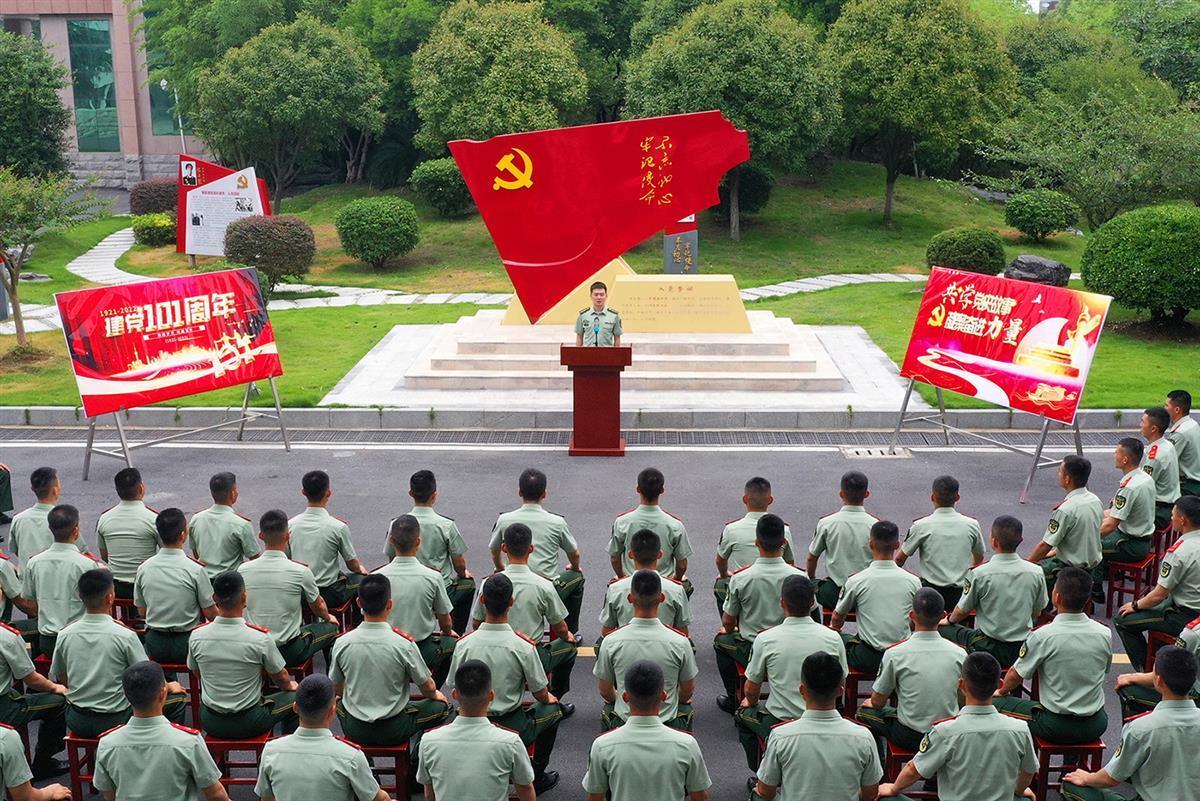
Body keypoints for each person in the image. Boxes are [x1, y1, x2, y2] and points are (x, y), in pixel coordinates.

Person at [447, 574, 563, 794]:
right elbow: (540, 693)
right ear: (511, 601)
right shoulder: (523, 646)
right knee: (553, 710)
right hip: (511, 723)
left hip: (470, 718)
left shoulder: (464, 645)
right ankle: (537, 774)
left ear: (482, 600)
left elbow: (453, 684)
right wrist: (550, 697)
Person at [877, 652, 1037, 801]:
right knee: (1026, 798)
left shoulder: (945, 731)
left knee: (887, 798)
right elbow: (1029, 771)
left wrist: (893, 788)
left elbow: (914, 770)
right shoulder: (1020, 729)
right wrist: (1019, 790)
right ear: (999, 684)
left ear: (961, 684)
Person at [51, 569, 186, 737]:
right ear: (110, 598)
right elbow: (146, 676)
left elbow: (61, 674)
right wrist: (169, 686)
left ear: (80, 597)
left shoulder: (65, 634)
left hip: (78, 718)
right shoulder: (125, 635)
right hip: (116, 719)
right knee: (178, 700)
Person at [735, 574, 847, 771]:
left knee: (742, 715)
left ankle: (761, 770)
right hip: (824, 715)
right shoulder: (833, 637)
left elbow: (752, 689)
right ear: (812, 602)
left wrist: (750, 703)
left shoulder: (766, 639)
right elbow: (841, 681)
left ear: (782, 602)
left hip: (780, 720)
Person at [1063, 645, 1200, 801]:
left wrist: (1087, 778)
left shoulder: (1141, 728)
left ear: (1158, 681)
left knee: (1071, 787)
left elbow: (1111, 778)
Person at [994, 567, 1111, 744]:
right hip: (1095, 723)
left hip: (1055, 724)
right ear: (1088, 599)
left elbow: (1015, 675)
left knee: (994, 703)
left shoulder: (1043, 636)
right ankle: (1073, 757)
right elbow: (1104, 669)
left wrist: (1001, 691)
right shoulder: (1104, 633)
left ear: (1057, 597)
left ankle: (1021, 756)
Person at [329, 574, 450, 746]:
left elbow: (337, 687)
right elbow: (427, 688)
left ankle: (364, 758)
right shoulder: (403, 644)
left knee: (339, 702)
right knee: (442, 708)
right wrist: (436, 695)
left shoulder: (342, 643)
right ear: (390, 604)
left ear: (359, 603)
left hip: (355, 727)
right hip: (395, 727)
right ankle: (416, 755)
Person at [752, 652, 880, 801]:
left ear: (802, 691)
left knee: (757, 795)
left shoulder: (780, 736)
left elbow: (766, 791)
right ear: (840, 691)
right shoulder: (863, 737)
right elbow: (870, 793)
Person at [471, 523, 577, 703]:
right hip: (531, 654)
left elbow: (476, 623)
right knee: (569, 648)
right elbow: (560, 628)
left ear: (504, 548)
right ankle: (555, 697)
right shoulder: (544, 586)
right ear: (531, 549)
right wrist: (567, 636)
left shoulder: (488, 584)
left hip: (492, 654)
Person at [187, 571, 298, 739]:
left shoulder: (196, 636)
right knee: (298, 697)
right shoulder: (259, 638)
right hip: (249, 721)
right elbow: (280, 677)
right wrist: (290, 686)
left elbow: (197, 672)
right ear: (244, 597)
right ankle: (285, 748)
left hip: (211, 720)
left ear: (214, 598)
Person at [94, 661, 227, 801]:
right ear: (163, 693)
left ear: (126, 695)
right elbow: (216, 794)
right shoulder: (189, 741)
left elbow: (109, 796)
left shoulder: (107, 744)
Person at [584, 660, 711, 801]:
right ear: (664, 695)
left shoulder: (602, 746)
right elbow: (700, 797)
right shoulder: (687, 744)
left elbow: (595, 797)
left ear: (625, 697)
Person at [857, 588, 965, 753]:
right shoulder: (960, 654)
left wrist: (871, 703)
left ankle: (880, 762)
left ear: (912, 615)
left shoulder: (895, 653)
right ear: (943, 615)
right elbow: (963, 699)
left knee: (864, 712)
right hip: (947, 734)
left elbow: (878, 702)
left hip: (910, 735)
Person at [715, 514, 804, 712]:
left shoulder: (741, 578)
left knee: (721, 641)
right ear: (784, 542)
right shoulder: (799, 577)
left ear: (756, 543)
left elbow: (728, 623)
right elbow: (812, 618)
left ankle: (733, 698)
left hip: (751, 647)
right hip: (792, 646)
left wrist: (729, 629)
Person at [417, 660, 536, 801]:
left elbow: (429, 793)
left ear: (454, 694)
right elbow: (525, 788)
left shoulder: (428, 741)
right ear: (491, 696)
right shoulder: (511, 742)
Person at [939, 516, 1048, 669]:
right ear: (1020, 540)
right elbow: (1037, 612)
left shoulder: (980, 573)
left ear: (993, 542)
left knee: (939, 629)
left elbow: (963, 610)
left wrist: (949, 621)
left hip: (988, 645)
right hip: (1022, 647)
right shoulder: (1036, 572)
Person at [255, 675, 387, 801]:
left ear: (295, 707)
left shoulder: (270, 751)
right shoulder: (351, 757)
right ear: (332, 711)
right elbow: (379, 799)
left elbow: (267, 798)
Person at [596, 570, 697, 731]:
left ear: (630, 598)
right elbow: (687, 691)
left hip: (624, 719)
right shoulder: (680, 642)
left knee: (609, 706)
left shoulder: (610, 642)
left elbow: (605, 691)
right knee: (685, 706)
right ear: (661, 598)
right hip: (667, 721)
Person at [488, 469, 585, 633]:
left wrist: (500, 568)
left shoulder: (504, 519)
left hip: (509, 580)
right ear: (544, 493)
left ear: (520, 492)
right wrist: (574, 567)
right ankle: (571, 630)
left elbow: (494, 549)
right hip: (547, 584)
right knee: (577, 578)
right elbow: (574, 553)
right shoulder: (557, 522)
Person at [239, 510, 338, 668]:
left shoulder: (243, 570)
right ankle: (329, 679)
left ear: (261, 536)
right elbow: (318, 606)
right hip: (289, 651)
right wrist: (328, 617)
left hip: (256, 648)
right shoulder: (300, 571)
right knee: (332, 627)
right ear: (287, 536)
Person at [1113, 495, 1200, 671]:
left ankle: (1147, 671)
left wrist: (1135, 605)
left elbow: (1158, 595)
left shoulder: (1180, 552)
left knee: (1122, 620)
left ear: (1183, 520)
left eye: (1173, 515)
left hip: (1184, 615)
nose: (1171, 518)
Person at [388, 469, 475, 635]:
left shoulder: (396, 524)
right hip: (440, 587)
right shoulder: (446, 525)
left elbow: (391, 558)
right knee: (468, 585)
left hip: (403, 586)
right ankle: (456, 633)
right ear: (434, 495)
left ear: (410, 493)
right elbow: (459, 564)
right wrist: (463, 573)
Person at [374, 514, 457, 686]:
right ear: (418, 542)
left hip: (385, 649)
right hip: (421, 649)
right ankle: (433, 687)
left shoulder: (377, 577)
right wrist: (448, 633)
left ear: (391, 540)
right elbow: (445, 620)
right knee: (454, 644)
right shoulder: (433, 577)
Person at [830, 520, 921, 675]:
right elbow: (915, 621)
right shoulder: (913, 582)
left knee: (835, 639)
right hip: (901, 656)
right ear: (897, 544)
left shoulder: (856, 581)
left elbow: (837, 617)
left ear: (871, 544)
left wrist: (835, 631)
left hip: (868, 658)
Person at [134, 508, 217, 665]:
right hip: (187, 643)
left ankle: (167, 679)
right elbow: (211, 614)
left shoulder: (144, 568)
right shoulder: (195, 570)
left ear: (159, 535)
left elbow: (142, 612)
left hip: (155, 644)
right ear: (183, 535)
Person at [21, 504, 102, 657]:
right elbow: (98, 605)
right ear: (76, 530)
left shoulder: (34, 563)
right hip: (80, 640)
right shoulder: (86, 564)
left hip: (48, 641)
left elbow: (30, 603)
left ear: (50, 529)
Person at [896, 476, 983, 611]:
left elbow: (900, 559)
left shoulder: (921, 526)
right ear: (957, 497)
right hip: (960, 595)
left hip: (930, 594)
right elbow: (979, 558)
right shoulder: (972, 525)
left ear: (932, 497)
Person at [0, 615, 69, 778]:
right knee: (60, 702)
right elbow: (31, 680)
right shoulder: (7, 637)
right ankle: (43, 764)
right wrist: (55, 687)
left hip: (7, 695)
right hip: (4, 708)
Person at [287, 471, 368, 608]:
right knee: (362, 580)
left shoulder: (290, 525)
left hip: (300, 593)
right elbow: (351, 564)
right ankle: (356, 619)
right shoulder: (338, 527)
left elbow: (287, 559)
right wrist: (360, 569)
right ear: (328, 493)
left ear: (303, 492)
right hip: (328, 593)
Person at [715, 477, 795, 613]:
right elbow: (790, 563)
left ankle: (731, 619)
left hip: (745, 586)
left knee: (721, 584)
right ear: (770, 500)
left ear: (744, 499)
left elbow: (720, 560)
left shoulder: (731, 529)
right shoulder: (784, 530)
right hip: (777, 588)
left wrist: (724, 574)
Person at [608, 468, 692, 594]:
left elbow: (615, 558)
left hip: (632, 584)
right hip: (663, 586)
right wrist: (675, 580)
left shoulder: (622, 522)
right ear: (662, 490)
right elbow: (682, 565)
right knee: (685, 586)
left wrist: (622, 577)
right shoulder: (675, 525)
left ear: (638, 489)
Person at [1027, 455, 1103, 593]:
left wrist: (1026, 565)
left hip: (1068, 569)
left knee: (1031, 576)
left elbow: (1045, 545)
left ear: (1067, 479)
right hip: (1091, 566)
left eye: (1060, 472)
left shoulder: (1065, 509)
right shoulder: (1095, 500)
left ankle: (1046, 604)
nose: (1058, 475)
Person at [600, 529, 691, 637]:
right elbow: (683, 633)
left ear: (631, 554)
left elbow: (607, 632)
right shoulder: (676, 590)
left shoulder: (615, 589)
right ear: (660, 554)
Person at [806, 471, 875, 612]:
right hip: (866, 594)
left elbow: (812, 558)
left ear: (841, 494)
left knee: (817, 585)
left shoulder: (827, 523)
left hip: (834, 595)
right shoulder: (874, 525)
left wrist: (812, 579)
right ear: (867, 494)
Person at [1116, 613, 1200, 718]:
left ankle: (1150, 726)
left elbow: (1169, 672)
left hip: (1195, 699)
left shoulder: (1193, 634)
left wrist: (1131, 678)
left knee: (1128, 690)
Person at [95, 467, 159, 599]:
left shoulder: (104, 518)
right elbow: (165, 552)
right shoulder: (153, 519)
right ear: (141, 488)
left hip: (117, 587)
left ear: (118, 491)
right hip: (146, 585)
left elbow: (105, 556)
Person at [188, 472, 261, 580]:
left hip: (204, 581)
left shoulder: (196, 519)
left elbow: (196, 554)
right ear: (232, 494)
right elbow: (254, 558)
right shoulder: (241, 524)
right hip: (231, 583)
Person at [9, 467, 86, 566]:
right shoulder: (64, 520)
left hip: (27, 574)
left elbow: (16, 550)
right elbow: (81, 551)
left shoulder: (18, 519)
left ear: (33, 489)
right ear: (55, 490)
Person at [1100, 438, 1157, 568]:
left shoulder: (1129, 487)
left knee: (1091, 548)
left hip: (1130, 544)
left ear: (1125, 460)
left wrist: (1085, 539)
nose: (1114, 455)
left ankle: (1097, 581)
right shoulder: (1145, 478)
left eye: (1116, 453)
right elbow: (1114, 513)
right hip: (1143, 539)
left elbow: (1110, 525)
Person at [0, 716, 69, 800]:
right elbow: (26, 798)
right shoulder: (6, 738)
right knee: (58, 709)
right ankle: (42, 764)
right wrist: (51, 792)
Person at [1141, 407, 1181, 530]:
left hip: (1159, 510)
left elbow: (1142, 487)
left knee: (1113, 518)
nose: (1140, 425)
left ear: (1153, 428)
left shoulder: (1155, 456)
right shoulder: (1167, 445)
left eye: (1143, 422)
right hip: (1170, 504)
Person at [1165, 389, 1200, 497]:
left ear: (1177, 409)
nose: (1164, 409)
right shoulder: (1192, 424)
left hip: (1186, 488)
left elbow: (1166, 463)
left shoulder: (1180, 433)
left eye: (1166, 405)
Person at [574, 281, 623, 347]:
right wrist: (578, 352)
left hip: (607, 352)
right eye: (596, 295)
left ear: (606, 296)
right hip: (588, 352)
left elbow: (617, 339)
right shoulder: (583, 315)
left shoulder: (614, 316)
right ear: (591, 296)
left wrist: (616, 353)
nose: (599, 297)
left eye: (602, 295)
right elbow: (579, 337)